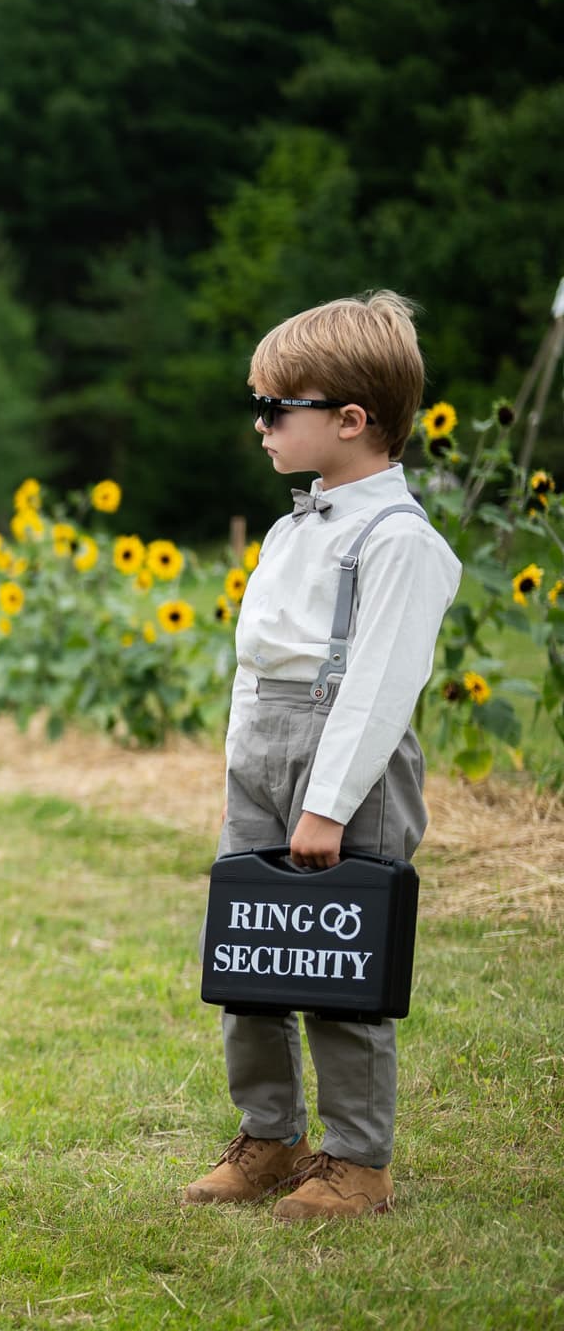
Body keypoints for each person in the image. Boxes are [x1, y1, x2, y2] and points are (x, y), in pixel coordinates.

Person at [182, 291, 460, 1220]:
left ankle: (357, 1160)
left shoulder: (400, 541)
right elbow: (256, 670)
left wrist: (328, 803)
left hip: (348, 766)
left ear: (351, 420)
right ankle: (269, 1136)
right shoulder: (290, 529)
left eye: (276, 408)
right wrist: (241, 771)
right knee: (251, 955)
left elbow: (378, 687)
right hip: (263, 754)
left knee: (343, 963)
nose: (259, 426)